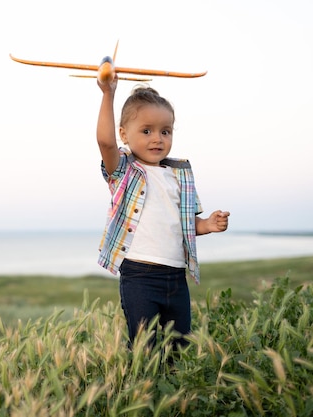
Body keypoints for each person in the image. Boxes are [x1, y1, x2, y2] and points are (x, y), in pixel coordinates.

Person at [96, 76, 230, 349]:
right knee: (145, 345)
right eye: (146, 131)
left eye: (165, 131)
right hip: (139, 274)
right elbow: (105, 143)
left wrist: (208, 224)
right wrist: (108, 93)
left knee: (179, 344)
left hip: (175, 275)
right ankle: (141, 389)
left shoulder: (178, 176)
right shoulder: (125, 172)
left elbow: (186, 224)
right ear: (124, 134)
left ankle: (173, 390)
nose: (157, 138)